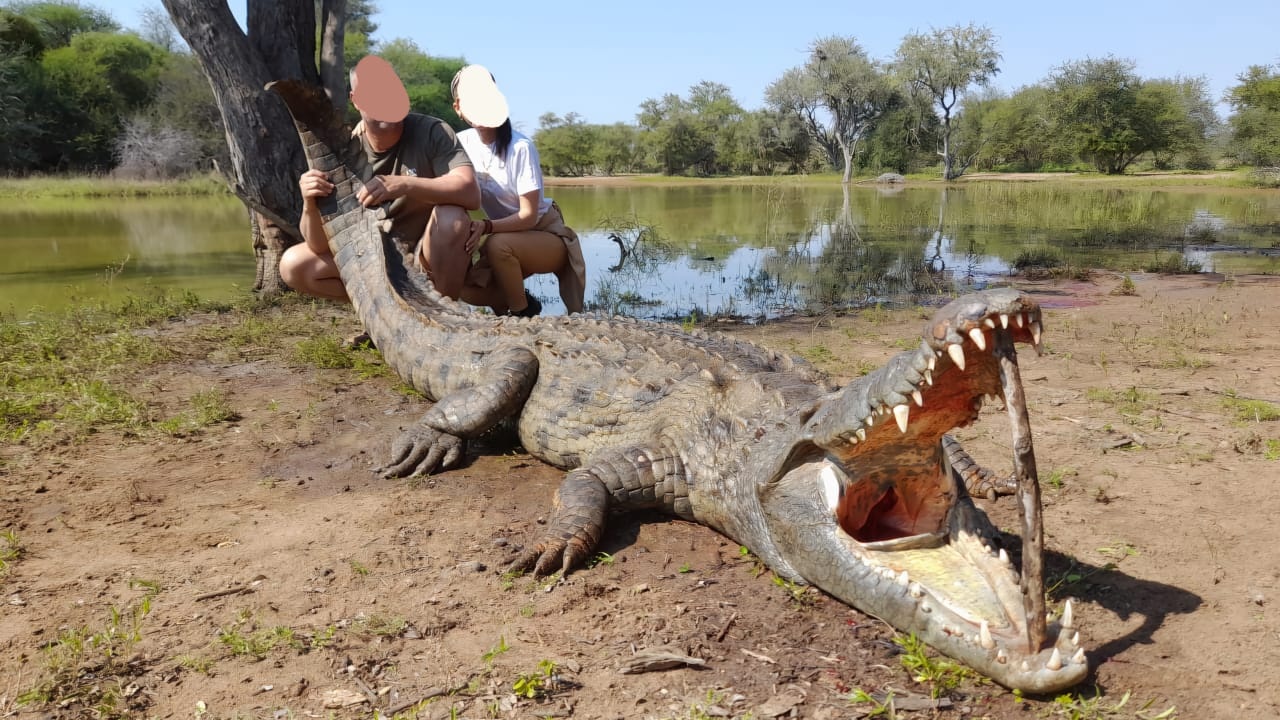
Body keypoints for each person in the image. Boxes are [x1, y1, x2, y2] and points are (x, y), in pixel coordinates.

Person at [279, 55, 480, 302]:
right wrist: (309, 204)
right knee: (294, 264)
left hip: (426, 257)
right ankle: (381, 316)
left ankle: (444, 318)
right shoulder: (344, 151)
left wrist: (404, 184)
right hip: (375, 261)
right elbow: (319, 246)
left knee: (453, 219)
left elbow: (470, 192)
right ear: (355, 100)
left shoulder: (433, 131)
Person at [449, 65, 587, 316]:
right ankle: (515, 304)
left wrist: (487, 226)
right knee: (466, 287)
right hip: (509, 235)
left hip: (546, 234)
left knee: (497, 245)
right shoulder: (460, 143)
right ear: (458, 107)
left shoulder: (520, 146)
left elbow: (528, 215)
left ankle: (520, 313)